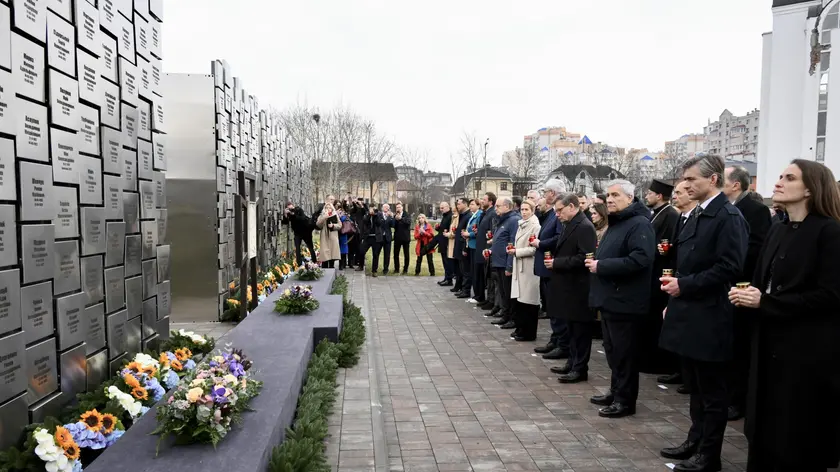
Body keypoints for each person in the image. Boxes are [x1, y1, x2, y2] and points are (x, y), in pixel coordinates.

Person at [729, 160, 840, 472]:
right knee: (764, 433)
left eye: (789, 178)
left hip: (805, 355)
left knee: (796, 437)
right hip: (767, 345)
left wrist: (766, 302)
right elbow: (763, 280)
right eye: (779, 176)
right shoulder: (778, 228)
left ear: (810, 188)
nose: (778, 182)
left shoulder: (830, 232)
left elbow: (831, 295)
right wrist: (747, 296)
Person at [659, 155, 748, 472]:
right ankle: (695, 440)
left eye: (691, 179)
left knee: (712, 391)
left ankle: (709, 454)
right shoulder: (696, 214)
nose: (685, 185)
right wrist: (676, 292)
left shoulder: (728, 216)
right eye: (684, 179)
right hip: (690, 311)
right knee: (696, 386)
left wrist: (684, 285)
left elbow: (730, 267)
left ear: (713, 179)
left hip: (710, 315)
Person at [586, 179, 655, 419]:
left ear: (630, 198)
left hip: (626, 301)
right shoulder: (617, 223)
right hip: (610, 299)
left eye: (615, 195)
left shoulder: (639, 224)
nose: (610, 200)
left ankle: (625, 401)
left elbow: (641, 259)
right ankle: (616, 391)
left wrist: (602, 266)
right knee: (613, 351)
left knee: (625, 354)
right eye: (608, 196)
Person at [721, 165, 772, 422]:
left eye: (722, 179)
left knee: (740, 345)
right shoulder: (724, 208)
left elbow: (754, 250)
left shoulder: (755, 209)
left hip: (743, 286)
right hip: (726, 285)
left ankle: (737, 400)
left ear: (736, 185)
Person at [547, 193, 597, 383]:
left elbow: (585, 257)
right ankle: (572, 362)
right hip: (568, 287)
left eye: (560, 210)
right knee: (572, 329)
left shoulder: (584, 227)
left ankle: (580, 368)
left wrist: (557, 263)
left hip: (579, 288)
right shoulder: (570, 224)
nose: (557, 214)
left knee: (581, 331)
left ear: (572, 206)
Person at [657, 180, 697, 392]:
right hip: (673, 276)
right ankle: (680, 370)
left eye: (680, 193)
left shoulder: (693, 218)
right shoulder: (680, 217)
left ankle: (688, 376)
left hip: (687, 282)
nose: (675, 197)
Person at [640, 179, 681, 376]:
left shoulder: (670, 214)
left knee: (657, 319)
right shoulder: (655, 213)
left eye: (649, 193)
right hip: (652, 273)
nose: (646, 196)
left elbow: (670, 244)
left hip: (662, 274)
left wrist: (664, 250)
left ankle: (659, 363)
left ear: (659, 195)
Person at [530, 179, 570, 359]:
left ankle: (561, 343)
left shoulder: (559, 213)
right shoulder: (553, 212)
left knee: (556, 308)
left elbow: (559, 237)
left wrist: (541, 243)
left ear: (552, 193)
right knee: (552, 307)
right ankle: (555, 340)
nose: (544, 195)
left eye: (545, 191)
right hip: (547, 267)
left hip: (553, 266)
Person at [507, 200, 541, 341]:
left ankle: (529, 332)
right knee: (520, 301)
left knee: (529, 301)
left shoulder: (535, 226)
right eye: (522, 209)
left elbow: (534, 248)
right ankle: (520, 328)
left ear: (532, 210)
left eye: (527, 209)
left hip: (528, 267)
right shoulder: (521, 224)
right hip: (519, 266)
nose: (524, 212)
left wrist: (517, 252)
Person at [489, 197, 520, 328]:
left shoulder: (513, 220)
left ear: (507, 206)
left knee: (509, 293)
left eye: (498, 206)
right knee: (503, 292)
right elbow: (499, 240)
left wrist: (509, 266)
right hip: (498, 262)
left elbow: (512, 242)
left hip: (505, 263)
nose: (495, 209)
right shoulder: (502, 220)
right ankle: (505, 315)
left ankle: (512, 318)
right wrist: (491, 250)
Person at [474, 193, 497, 311]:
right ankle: (488, 299)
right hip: (481, 247)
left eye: (484, 199)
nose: (482, 201)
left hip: (487, 248)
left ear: (491, 201)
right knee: (485, 276)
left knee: (489, 276)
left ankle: (491, 300)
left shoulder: (492, 213)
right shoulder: (486, 213)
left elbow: (491, 232)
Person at [282, 202, 315, 267]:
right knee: (297, 248)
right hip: (297, 233)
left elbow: (302, 218)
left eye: (292, 208)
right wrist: (285, 214)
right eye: (289, 209)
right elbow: (285, 222)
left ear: (293, 206)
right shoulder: (288, 214)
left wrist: (293, 214)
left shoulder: (298, 210)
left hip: (306, 231)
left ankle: (314, 261)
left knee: (310, 247)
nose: (291, 210)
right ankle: (299, 264)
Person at [461, 199, 481, 301]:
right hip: (470, 244)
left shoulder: (479, 215)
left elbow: (478, 230)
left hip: (475, 245)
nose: (470, 206)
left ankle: (478, 294)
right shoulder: (473, 215)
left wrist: (469, 234)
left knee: (475, 271)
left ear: (478, 205)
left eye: (472, 204)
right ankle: (475, 294)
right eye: (470, 204)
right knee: (471, 270)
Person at [452, 198, 471, 297]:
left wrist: (464, 247)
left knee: (465, 270)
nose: (457, 206)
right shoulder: (462, 215)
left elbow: (466, 232)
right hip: (459, 245)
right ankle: (461, 287)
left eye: (459, 204)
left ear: (465, 204)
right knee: (460, 269)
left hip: (463, 246)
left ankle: (466, 290)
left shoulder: (468, 216)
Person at [316, 201, 341, 268]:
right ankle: (325, 269)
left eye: (329, 208)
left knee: (332, 253)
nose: (328, 209)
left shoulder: (335, 215)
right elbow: (318, 224)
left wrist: (333, 225)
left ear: (332, 209)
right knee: (325, 253)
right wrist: (324, 217)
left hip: (333, 236)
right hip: (324, 236)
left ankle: (331, 269)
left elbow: (340, 225)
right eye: (326, 208)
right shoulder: (322, 215)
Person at [361, 204, 385, 276]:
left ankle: (374, 271)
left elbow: (379, 223)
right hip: (368, 237)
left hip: (376, 237)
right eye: (371, 209)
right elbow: (365, 221)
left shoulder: (379, 214)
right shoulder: (367, 214)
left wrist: (375, 215)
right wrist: (369, 214)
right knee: (362, 251)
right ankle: (361, 266)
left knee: (375, 254)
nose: (372, 210)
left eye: (373, 209)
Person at [445, 201, 463, 293]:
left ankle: (459, 285)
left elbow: (455, 231)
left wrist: (448, 234)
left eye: (454, 206)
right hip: (451, 243)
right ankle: (457, 284)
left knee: (457, 266)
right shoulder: (454, 217)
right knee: (454, 265)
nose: (452, 207)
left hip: (455, 242)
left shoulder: (458, 217)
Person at [391, 203, 412, 275]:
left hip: (405, 238)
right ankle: (396, 269)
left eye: (399, 207)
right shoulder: (395, 216)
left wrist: (401, 219)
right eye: (397, 207)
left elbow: (408, 223)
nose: (398, 208)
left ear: (402, 208)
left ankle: (405, 269)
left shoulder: (407, 214)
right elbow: (393, 226)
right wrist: (394, 219)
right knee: (395, 254)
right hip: (397, 238)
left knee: (406, 255)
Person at [436, 202, 454, 286]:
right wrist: (438, 228)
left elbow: (450, 229)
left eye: (442, 208)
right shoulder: (445, 216)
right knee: (444, 261)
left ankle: (449, 279)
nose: (441, 209)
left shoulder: (450, 216)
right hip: (442, 241)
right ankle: (446, 278)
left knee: (447, 262)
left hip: (447, 242)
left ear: (448, 207)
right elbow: (443, 228)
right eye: (440, 208)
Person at [379, 204, 394, 275]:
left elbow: (393, 225)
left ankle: (385, 269)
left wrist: (391, 217)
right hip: (380, 237)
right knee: (376, 253)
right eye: (385, 207)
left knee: (387, 254)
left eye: (388, 207)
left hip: (387, 237)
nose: (386, 208)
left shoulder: (390, 216)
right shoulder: (379, 215)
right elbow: (379, 223)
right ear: (382, 208)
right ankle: (374, 268)